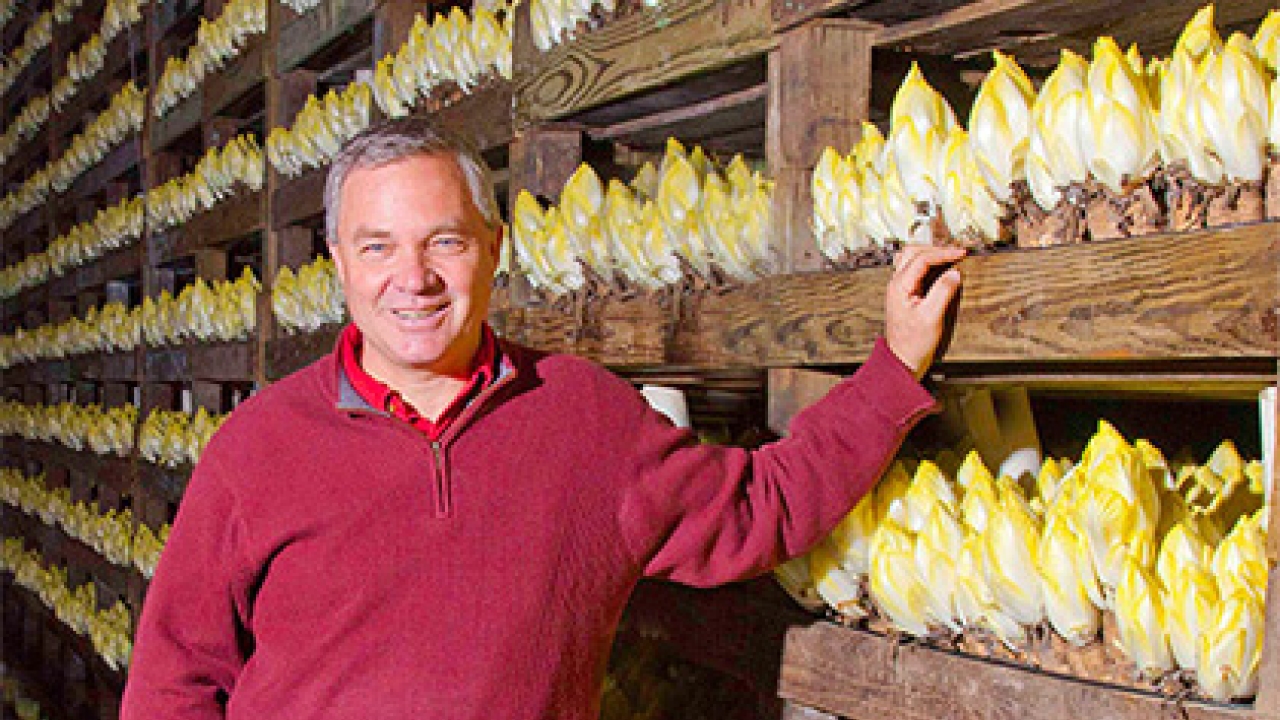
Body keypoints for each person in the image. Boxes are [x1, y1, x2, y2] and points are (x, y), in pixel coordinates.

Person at [120, 116, 965, 720]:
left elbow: (760, 505)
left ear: (493, 248)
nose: (412, 277)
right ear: (339, 262)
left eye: (444, 241)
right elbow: (174, 681)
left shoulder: (585, 418)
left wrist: (893, 368)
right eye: (377, 246)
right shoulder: (258, 447)